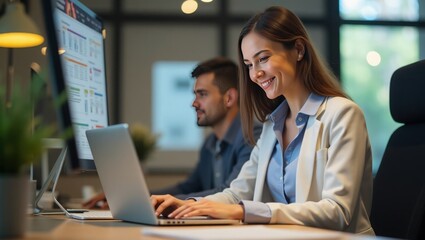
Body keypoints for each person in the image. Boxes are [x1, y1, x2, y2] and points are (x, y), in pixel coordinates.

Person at [151, 6, 375, 235]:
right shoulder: (272, 126)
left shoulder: (343, 114)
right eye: (249, 64)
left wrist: (245, 211)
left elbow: (337, 211)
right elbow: (237, 193)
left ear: (298, 50)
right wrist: (190, 206)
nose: (255, 73)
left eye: (263, 59)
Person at [83, 57, 262, 209]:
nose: (194, 103)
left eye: (202, 94)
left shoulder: (253, 137)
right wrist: (139, 198)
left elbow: (229, 194)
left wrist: (172, 202)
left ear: (229, 98)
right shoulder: (210, 143)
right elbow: (189, 186)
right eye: (195, 94)